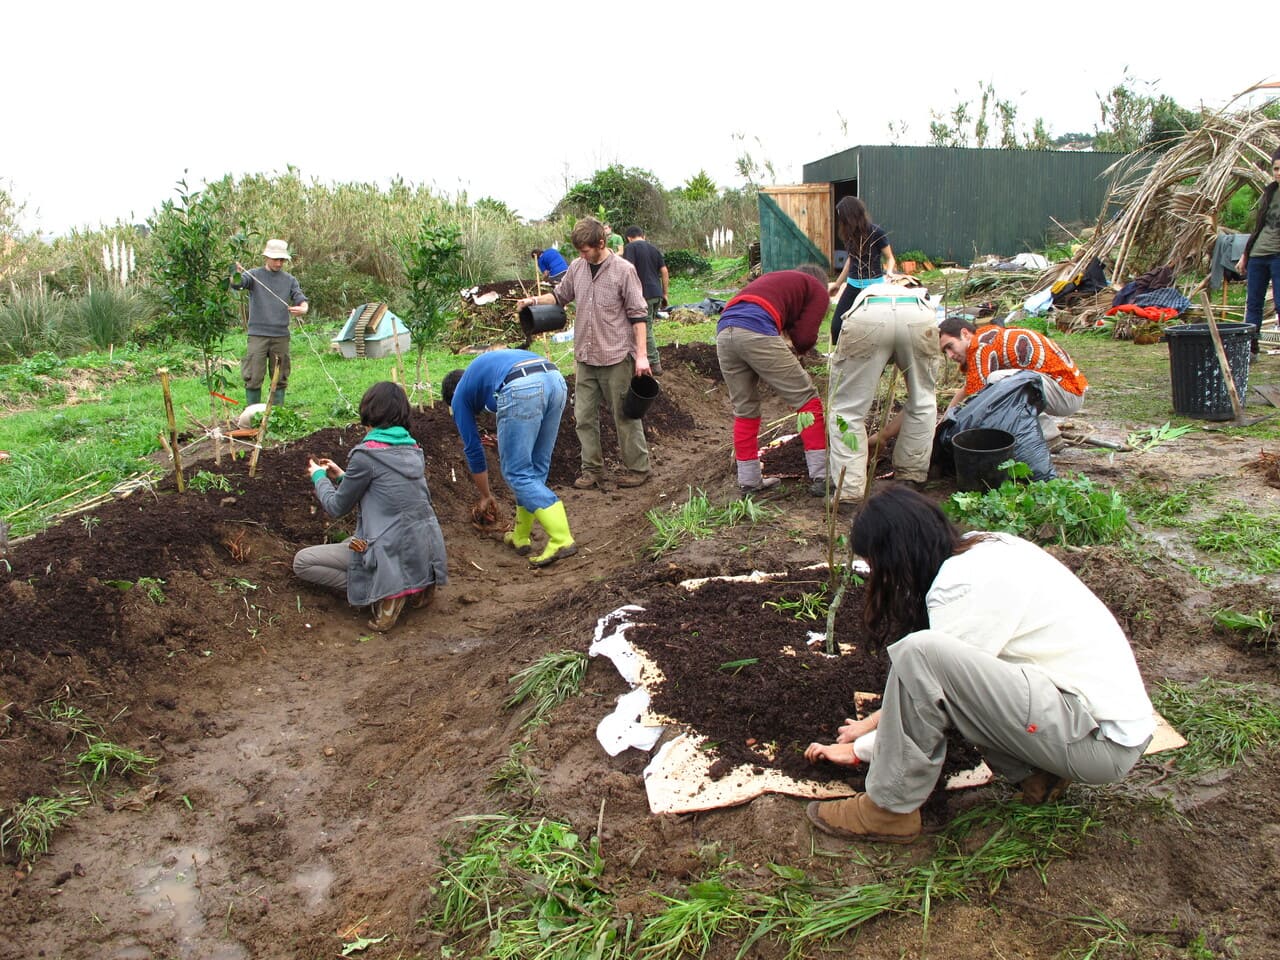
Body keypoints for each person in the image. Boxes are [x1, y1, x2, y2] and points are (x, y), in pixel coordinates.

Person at [804, 487, 1154, 843]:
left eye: (877, 564)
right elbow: (965, 679)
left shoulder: (958, 587)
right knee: (936, 667)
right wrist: (873, 722)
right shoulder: (984, 549)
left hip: (1097, 743)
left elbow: (931, 688)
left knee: (919, 653)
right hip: (1089, 720)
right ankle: (1040, 776)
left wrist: (860, 749)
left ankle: (887, 810)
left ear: (895, 556)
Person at [292, 382, 448, 632]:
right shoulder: (412, 449)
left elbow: (336, 506)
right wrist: (344, 475)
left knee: (303, 562)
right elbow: (382, 491)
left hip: (386, 545)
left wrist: (318, 477)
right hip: (422, 546)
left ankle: (384, 591)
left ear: (369, 412)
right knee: (351, 543)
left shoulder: (366, 455)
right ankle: (415, 585)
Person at [515, 217, 652, 490]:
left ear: (600, 244)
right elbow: (559, 296)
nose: (581, 255)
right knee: (583, 417)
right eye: (578, 251)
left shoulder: (624, 271)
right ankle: (592, 470)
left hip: (616, 356)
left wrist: (642, 356)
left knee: (624, 415)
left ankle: (639, 469)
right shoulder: (577, 268)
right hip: (586, 357)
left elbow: (639, 316)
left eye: (585, 250)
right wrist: (532, 301)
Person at [442, 350, 576, 568]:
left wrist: (485, 495)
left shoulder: (459, 397)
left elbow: (473, 449)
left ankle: (561, 538)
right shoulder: (484, 376)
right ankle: (521, 536)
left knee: (517, 472)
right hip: (554, 379)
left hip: (522, 386)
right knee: (535, 468)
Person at [871, 317, 1088, 450]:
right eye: (944, 352)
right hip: (1063, 388)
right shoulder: (988, 338)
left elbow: (978, 399)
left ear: (965, 334)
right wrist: (947, 416)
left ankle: (1048, 434)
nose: (950, 355)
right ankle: (1046, 433)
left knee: (994, 386)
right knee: (1001, 385)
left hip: (1065, 392)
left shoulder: (980, 346)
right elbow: (966, 389)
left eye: (950, 346)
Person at [715, 265, 830, 494]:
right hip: (756, 329)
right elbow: (805, 337)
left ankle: (749, 480)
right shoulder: (818, 288)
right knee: (807, 399)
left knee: (744, 408)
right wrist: (799, 349)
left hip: (724, 331)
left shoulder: (777, 282)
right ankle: (823, 476)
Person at [827, 281, 938, 503]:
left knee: (847, 410)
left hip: (868, 315)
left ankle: (849, 490)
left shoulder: (857, 292)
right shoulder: (912, 293)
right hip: (918, 315)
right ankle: (911, 476)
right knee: (922, 400)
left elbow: (837, 331)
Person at [231, 239, 308, 407]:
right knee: (253, 375)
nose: (279, 263)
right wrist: (235, 273)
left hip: (280, 336)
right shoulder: (253, 275)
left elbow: (299, 297)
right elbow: (237, 284)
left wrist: (303, 308)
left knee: (279, 376)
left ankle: (276, 416)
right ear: (266, 257)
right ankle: (253, 415)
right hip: (257, 335)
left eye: (282, 260)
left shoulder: (289, 280)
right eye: (275, 259)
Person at [827, 197, 896, 346]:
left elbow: (890, 258)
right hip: (853, 286)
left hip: (874, 287)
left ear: (851, 215)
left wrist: (889, 271)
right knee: (836, 328)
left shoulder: (876, 232)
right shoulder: (849, 234)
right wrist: (838, 284)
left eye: (842, 217)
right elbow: (851, 259)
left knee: (875, 330)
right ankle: (845, 357)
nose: (841, 221)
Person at [1235, 148, 1280, 355]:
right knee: (1253, 304)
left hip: (1278, 255)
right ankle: (1250, 350)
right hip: (1258, 255)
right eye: (1276, 169)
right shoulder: (1270, 191)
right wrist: (1245, 255)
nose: (1278, 173)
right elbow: (1258, 227)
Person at [622, 226, 670, 376]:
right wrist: (665, 293)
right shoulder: (653, 249)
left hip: (643, 295)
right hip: (656, 294)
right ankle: (641, 358)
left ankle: (654, 363)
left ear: (629, 238)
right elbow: (664, 271)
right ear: (643, 235)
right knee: (647, 327)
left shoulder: (630, 248)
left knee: (644, 327)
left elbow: (627, 269)